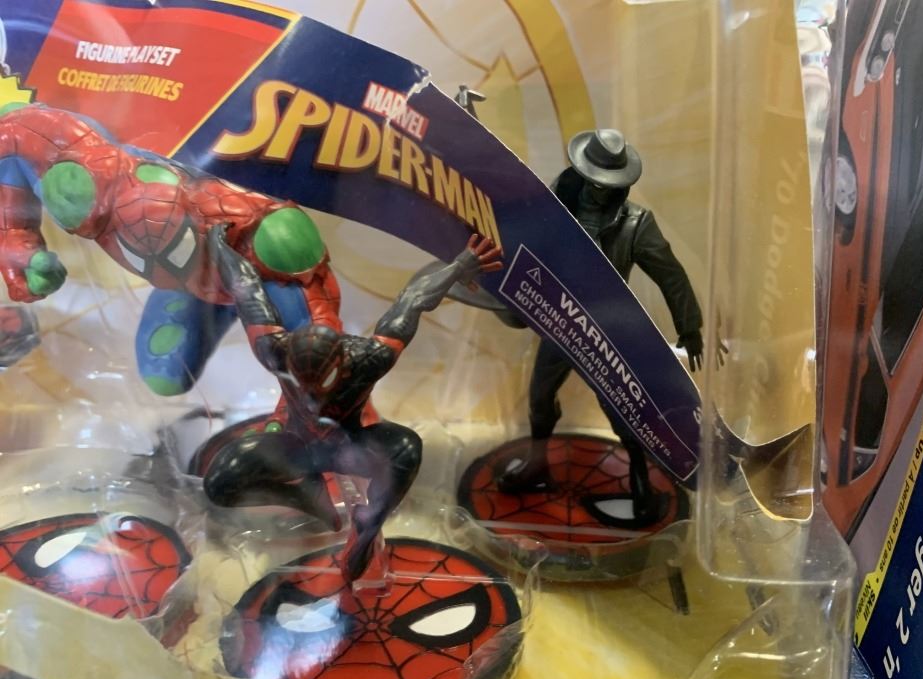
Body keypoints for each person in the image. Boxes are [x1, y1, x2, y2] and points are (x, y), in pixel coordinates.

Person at [204, 224, 502, 579]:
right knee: (219, 482)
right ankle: (309, 499)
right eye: (301, 384)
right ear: (289, 364)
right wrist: (218, 245)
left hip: (350, 446)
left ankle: (367, 525)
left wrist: (460, 265)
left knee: (407, 447)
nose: (312, 396)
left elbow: (413, 299)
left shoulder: (369, 358)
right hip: (296, 445)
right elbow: (247, 290)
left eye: (322, 383)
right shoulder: (275, 350)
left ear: (341, 364)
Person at [498, 129, 703, 521]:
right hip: (559, 323)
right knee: (540, 397)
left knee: (622, 409)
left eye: (607, 185)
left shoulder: (636, 223)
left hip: (606, 332)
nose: (598, 191)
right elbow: (521, 243)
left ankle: (640, 481)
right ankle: (537, 462)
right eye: (593, 182)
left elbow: (671, 274)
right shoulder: (555, 207)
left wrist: (689, 327)